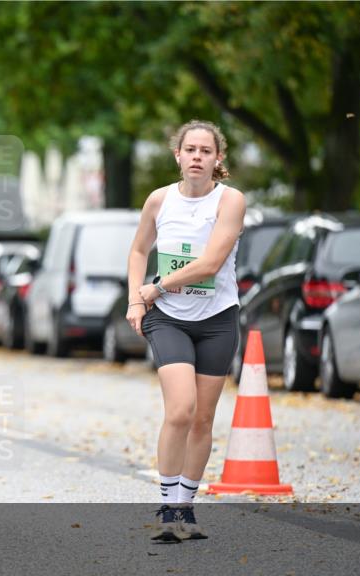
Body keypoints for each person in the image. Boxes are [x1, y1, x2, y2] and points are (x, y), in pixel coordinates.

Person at [125, 120, 245, 543]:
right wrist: (136, 300)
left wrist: (155, 286)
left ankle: (186, 508)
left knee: (203, 419)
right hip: (169, 318)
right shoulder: (159, 200)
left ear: (217, 158)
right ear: (177, 155)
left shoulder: (230, 201)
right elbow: (139, 250)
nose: (197, 156)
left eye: (205, 151)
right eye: (190, 149)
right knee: (180, 410)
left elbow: (211, 264)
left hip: (216, 319)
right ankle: (167, 509)